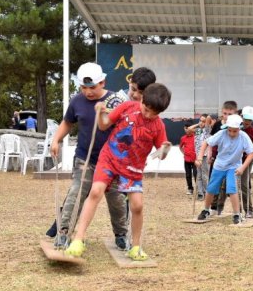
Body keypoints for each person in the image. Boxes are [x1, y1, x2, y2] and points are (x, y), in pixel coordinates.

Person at [64, 83, 172, 260]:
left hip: (132, 169)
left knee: (137, 205)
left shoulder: (158, 125)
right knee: (96, 192)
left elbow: (161, 155)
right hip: (109, 159)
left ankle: (136, 247)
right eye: (146, 109)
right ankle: (78, 238)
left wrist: (165, 150)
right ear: (142, 99)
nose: (149, 115)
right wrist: (100, 113)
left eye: (155, 113)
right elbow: (104, 125)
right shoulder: (127, 107)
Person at [47, 62, 129, 250]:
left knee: (116, 198)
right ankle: (64, 233)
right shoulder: (77, 101)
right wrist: (56, 140)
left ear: (102, 82)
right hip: (85, 158)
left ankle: (121, 234)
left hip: (111, 160)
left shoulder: (115, 101)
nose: (88, 92)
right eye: (83, 87)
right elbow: (67, 123)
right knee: (76, 192)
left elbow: (126, 127)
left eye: (92, 87)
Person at [195, 114, 253, 224]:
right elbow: (206, 142)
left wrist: (242, 167)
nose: (232, 133)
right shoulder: (221, 134)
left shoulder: (244, 137)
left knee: (232, 188)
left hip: (234, 166)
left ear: (239, 129)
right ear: (227, 128)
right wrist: (199, 157)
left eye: (235, 131)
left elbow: (251, 154)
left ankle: (237, 214)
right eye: (230, 130)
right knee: (211, 188)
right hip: (219, 165)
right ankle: (206, 210)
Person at [186, 114, 213, 201]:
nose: (201, 123)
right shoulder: (198, 131)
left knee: (205, 175)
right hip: (198, 156)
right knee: (199, 175)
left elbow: (209, 121)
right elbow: (189, 129)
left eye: (203, 121)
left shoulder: (208, 130)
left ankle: (206, 192)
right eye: (200, 120)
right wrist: (198, 124)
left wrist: (206, 122)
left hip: (205, 156)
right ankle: (200, 193)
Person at [180, 126, 196, 195]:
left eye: (187, 128)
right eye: (185, 129)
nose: (186, 130)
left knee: (196, 174)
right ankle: (190, 188)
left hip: (195, 160)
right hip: (187, 160)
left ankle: (199, 189)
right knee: (188, 175)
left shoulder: (196, 137)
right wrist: (184, 153)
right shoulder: (183, 138)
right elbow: (180, 147)